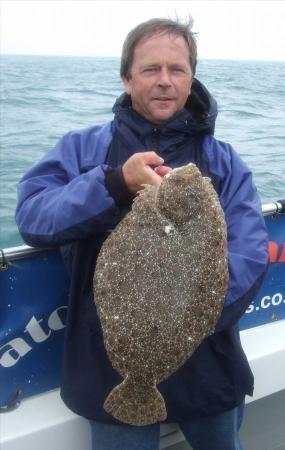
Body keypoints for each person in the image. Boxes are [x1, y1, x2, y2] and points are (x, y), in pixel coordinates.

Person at [15, 17, 268, 450]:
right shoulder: (83, 149)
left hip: (207, 361)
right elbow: (33, 216)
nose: (165, 81)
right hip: (110, 364)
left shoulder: (224, 162)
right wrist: (113, 185)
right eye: (151, 69)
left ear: (192, 78)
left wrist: (189, 318)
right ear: (127, 78)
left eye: (178, 69)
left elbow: (251, 251)